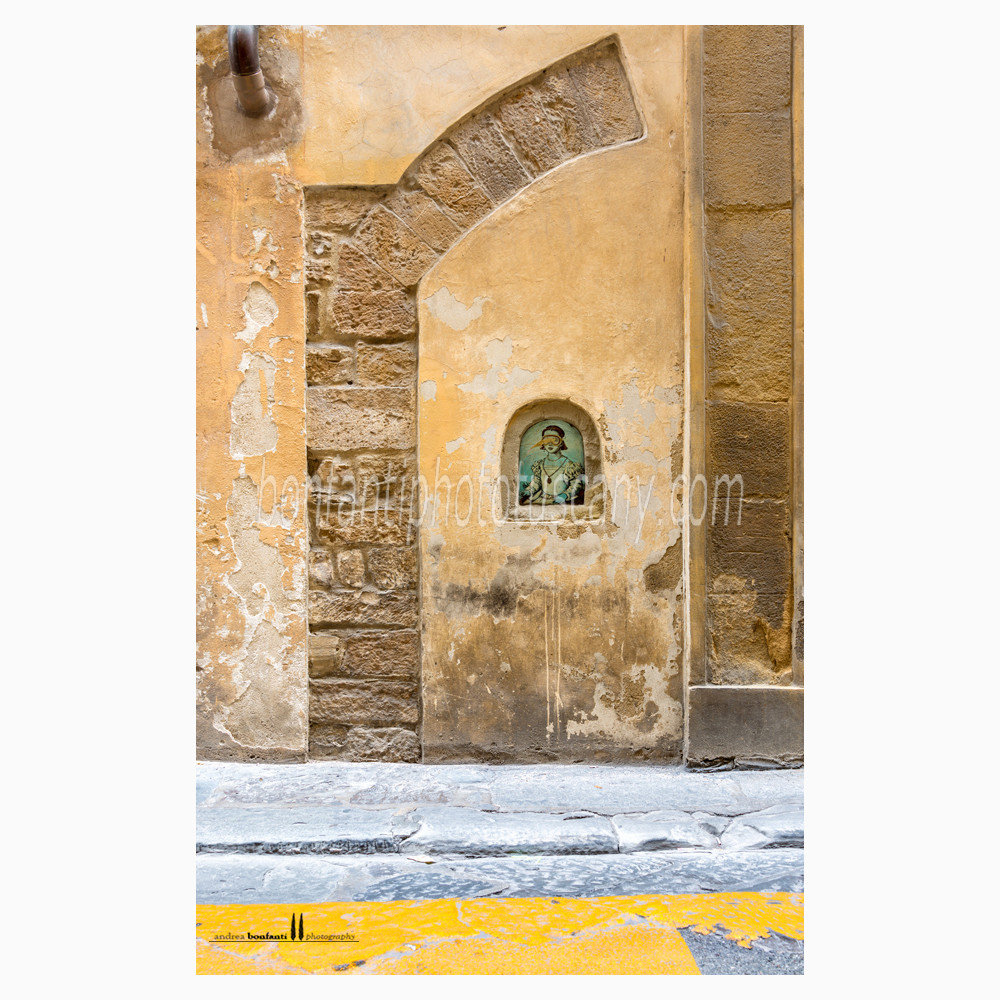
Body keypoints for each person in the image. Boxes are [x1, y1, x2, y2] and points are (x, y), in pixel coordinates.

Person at [519, 425, 585, 505]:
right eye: (546, 440)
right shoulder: (540, 464)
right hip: (542, 497)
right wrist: (528, 490)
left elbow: (576, 484)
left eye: (555, 440)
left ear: (561, 443)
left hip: (560, 500)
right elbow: (537, 482)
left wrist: (565, 495)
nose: (550, 444)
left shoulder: (569, 465)